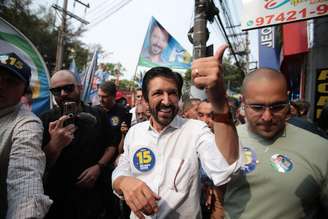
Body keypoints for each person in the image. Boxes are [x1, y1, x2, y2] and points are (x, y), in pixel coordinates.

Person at [112, 44, 241, 219]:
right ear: (145, 99)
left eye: (172, 93)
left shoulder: (196, 131)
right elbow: (122, 169)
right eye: (158, 93)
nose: (166, 101)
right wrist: (123, 182)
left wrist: (218, 97)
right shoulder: (135, 133)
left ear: (179, 97)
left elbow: (225, 169)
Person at [222, 68, 328, 219]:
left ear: (288, 100)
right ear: (244, 102)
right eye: (257, 107)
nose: (267, 117)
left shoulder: (321, 149)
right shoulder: (224, 141)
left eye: (277, 107)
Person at [40, 70, 116, 219]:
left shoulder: (99, 115)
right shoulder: (45, 119)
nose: (62, 94)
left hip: (92, 197)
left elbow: (111, 145)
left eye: (68, 88)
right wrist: (54, 145)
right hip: (57, 198)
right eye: (56, 90)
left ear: (80, 88)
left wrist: (98, 167)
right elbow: (37, 162)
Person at [0, 52, 52, 218]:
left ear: (24, 90)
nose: (1, 85)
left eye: (11, 82)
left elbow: (25, 176)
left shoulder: (27, 123)